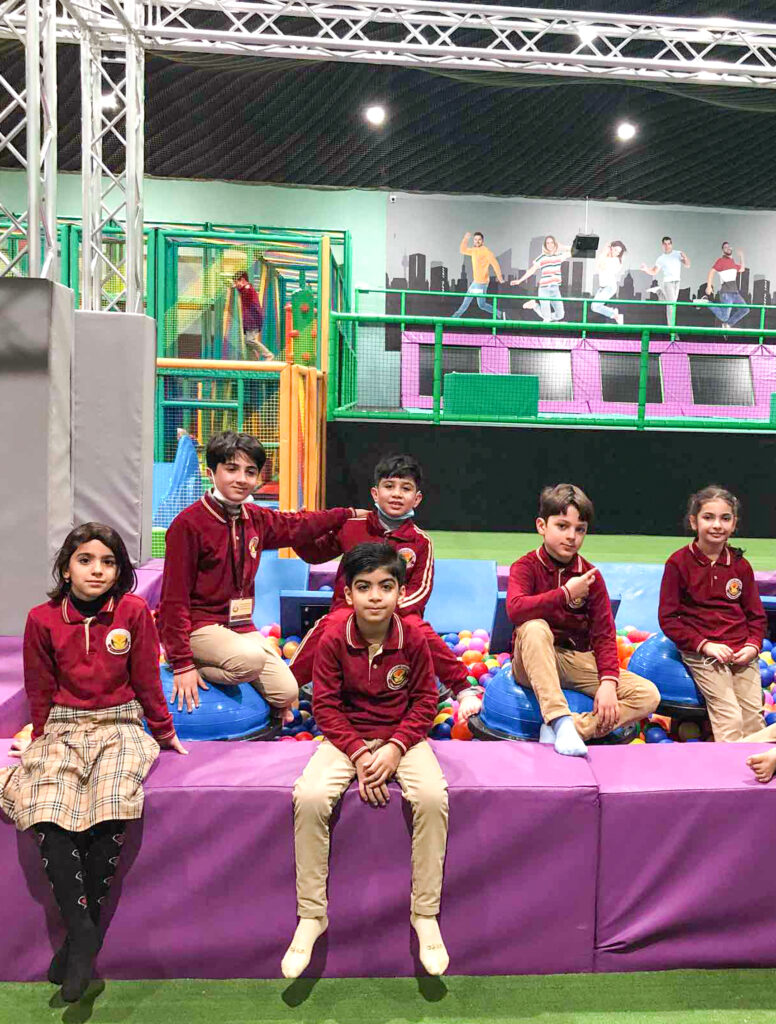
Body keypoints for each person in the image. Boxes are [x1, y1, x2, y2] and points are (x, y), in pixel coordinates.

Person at [0, 523, 186, 1003]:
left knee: (113, 799)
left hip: (120, 724)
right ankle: (84, 930)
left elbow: (147, 678)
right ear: (66, 568)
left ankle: (77, 945)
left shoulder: (132, 611)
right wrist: (39, 737)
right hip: (63, 726)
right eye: (85, 560)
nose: (97, 570)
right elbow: (40, 686)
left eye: (108, 562)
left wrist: (164, 731)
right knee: (44, 802)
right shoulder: (42, 619)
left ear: (119, 570)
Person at [283, 543, 449, 979]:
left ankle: (425, 913)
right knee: (310, 796)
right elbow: (325, 706)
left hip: (402, 738)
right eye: (364, 587)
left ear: (401, 592)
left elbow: (425, 701)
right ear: (348, 593)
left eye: (385, 586)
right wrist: (359, 753)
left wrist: (395, 747)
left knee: (433, 797)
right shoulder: (334, 636)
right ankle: (311, 915)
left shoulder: (412, 637)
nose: (375, 596)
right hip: (345, 739)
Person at [157, 431, 366, 719]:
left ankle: (234, 674)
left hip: (239, 626)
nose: (241, 479)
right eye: (231, 469)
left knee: (287, 693)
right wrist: (183, 664)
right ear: (210, 473)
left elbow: (298, 524)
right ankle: (194, 666)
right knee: (251, 660)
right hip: (198, 627)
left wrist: (347, 514)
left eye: (250, 472)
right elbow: (173, 600)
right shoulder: (188, 525)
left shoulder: (254, 517)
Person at [290, 454, 482, 719]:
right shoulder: (351, 527)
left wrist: (385, 609)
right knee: (329, 626)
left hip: (399, 616)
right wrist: (302, 530)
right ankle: (286, 688)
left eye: (406, 488)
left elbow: (420, 590)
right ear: (375, 493)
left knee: (418, 628)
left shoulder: (420, 541)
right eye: (389, 486)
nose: (396, 494)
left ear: (417, 498)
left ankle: (463, 688)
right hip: (348, 610)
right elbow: (315, 553)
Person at [507, 484, 659, 757]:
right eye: (562, 526)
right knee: (534, 627)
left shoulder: (591, 577)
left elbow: (604, 634)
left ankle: (576, 728)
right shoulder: (525, 566)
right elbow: (515, 610)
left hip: (574, 661)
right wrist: (565, 594)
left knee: (648, 695)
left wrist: (608, 682)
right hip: (531, 659)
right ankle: (559, 720)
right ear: (541, 526)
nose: (571, 536)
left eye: (580, 529)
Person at [658, 486, 766, 742]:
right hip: (704, 654)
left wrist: (752, 646)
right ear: (694, 522)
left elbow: (756, 616)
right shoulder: (678, 563)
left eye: (725, 518)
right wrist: (704, 645)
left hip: (741, 652)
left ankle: (757, 765)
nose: (717, 525)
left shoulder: (740, 565)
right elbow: (668, 619)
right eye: (708, 517)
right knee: (730, 717)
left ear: (734, 524)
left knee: (753, 719)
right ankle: (728, 767)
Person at [511, 235, 571, 323]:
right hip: (544, 289)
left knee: (560, 315)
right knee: (546, 318)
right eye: (547, 243)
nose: (550, 245)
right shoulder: (542, 257)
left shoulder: (559, 256)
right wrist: (520, 280)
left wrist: (562, 246)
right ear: (545, 245)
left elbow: (575, 250)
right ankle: (536, 307)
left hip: (555, 289)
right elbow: (532, 270)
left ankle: (535, 305)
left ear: (555, 244)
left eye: (552, 243)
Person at [451, 231, 506, 320]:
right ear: (473, 241)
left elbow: (495, 264)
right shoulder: (473, 251)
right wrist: (465, 239)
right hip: (476, 282)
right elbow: (462, 250)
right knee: (480, 305)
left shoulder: (486, 252)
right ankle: (500, 313)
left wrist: (500, 278)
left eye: (479, 240)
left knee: (470, 303)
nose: (477, 241)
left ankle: (453, 318)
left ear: (482, 241)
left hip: (482, 283)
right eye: (475, 239)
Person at [695, 242, 750, 328]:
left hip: (735, 293)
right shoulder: (721, 261)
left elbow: (742, 269)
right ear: (723, 250)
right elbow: (711, 272)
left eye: (729, 247)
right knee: (724, 317)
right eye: (725, 247)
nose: (727, 248)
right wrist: (709, 286)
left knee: (745, 309)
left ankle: (728, 324)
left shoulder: (733, 263)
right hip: (726, 293)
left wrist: (741, 256)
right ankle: (706, 302)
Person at [640, 236, 691, 327]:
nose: (667, 246)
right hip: (668, 282)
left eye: (669, 244)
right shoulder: (661, 259)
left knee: (671, 303)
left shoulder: (677, 254)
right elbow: (654, 271)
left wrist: (685, 257)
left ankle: (658, 291)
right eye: (665, 244)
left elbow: (687, 265)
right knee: (671, 305)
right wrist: (646, 269)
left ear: (671, 245)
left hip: (677, 282)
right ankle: (671, 329)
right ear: (662, 245)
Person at [231, 271, 274, 360]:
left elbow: (246, 292)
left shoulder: (248, 289)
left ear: (242, 280)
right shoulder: (245, 289)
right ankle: (254, 361)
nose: (236, 285)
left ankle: (268, 354)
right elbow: (243, 293)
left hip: (253, 320)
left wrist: (239, 287)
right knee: (248, 343)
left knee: (250, 340)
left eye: (236, 282)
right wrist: (238, 287)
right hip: (249, 321)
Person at [591, 241, 626, 326]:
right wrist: (604, 252)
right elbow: (598, 266)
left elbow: (602, 266)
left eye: (618, 252)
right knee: (594, 307)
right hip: (602, 287)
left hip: (610, 287)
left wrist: (604, 252)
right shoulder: (605, 257)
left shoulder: (615, 260)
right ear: (611, 248)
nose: (616, 253)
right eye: (615, 250)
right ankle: (615, 314)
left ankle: (614, 313)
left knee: (595, 306)